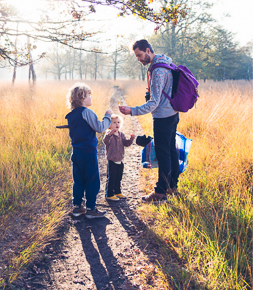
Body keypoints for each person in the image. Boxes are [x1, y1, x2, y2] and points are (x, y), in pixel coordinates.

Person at [118, 39, 179, 203]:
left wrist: (132, 111)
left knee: (163, 154)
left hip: (163, 118)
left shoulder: (158, 71)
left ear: (147, 50)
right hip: (173, 114)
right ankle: (172, 187)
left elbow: (154, 103)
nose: (138, 59)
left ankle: (160, 194)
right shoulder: (165, 63)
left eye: (139, 55)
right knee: (171, 151)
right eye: (136, 57)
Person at [66, 83, 112, 219]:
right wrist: (107, 116)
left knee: (78, 180)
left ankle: (78, 207)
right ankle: (91, 208)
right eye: (89, 95)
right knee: (92, 179)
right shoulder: (87, 112)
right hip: (88, 152)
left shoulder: (71, 115)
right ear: (81, 98)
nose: (91, 97)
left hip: (76, 152)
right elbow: (100, 127)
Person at [103, 114, 136, 203]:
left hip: (120, 159)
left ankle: (117, 191)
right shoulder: (108, 134)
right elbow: (106, 142)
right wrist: (110, 134)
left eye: (118, 122)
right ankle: (109, 194)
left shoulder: (121, 134)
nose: (117, 124)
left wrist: (131, 139)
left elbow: (126, 143)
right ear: (109, 125)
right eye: (114, 122)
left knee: (119, 177)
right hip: (112, 160)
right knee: (111, 177)